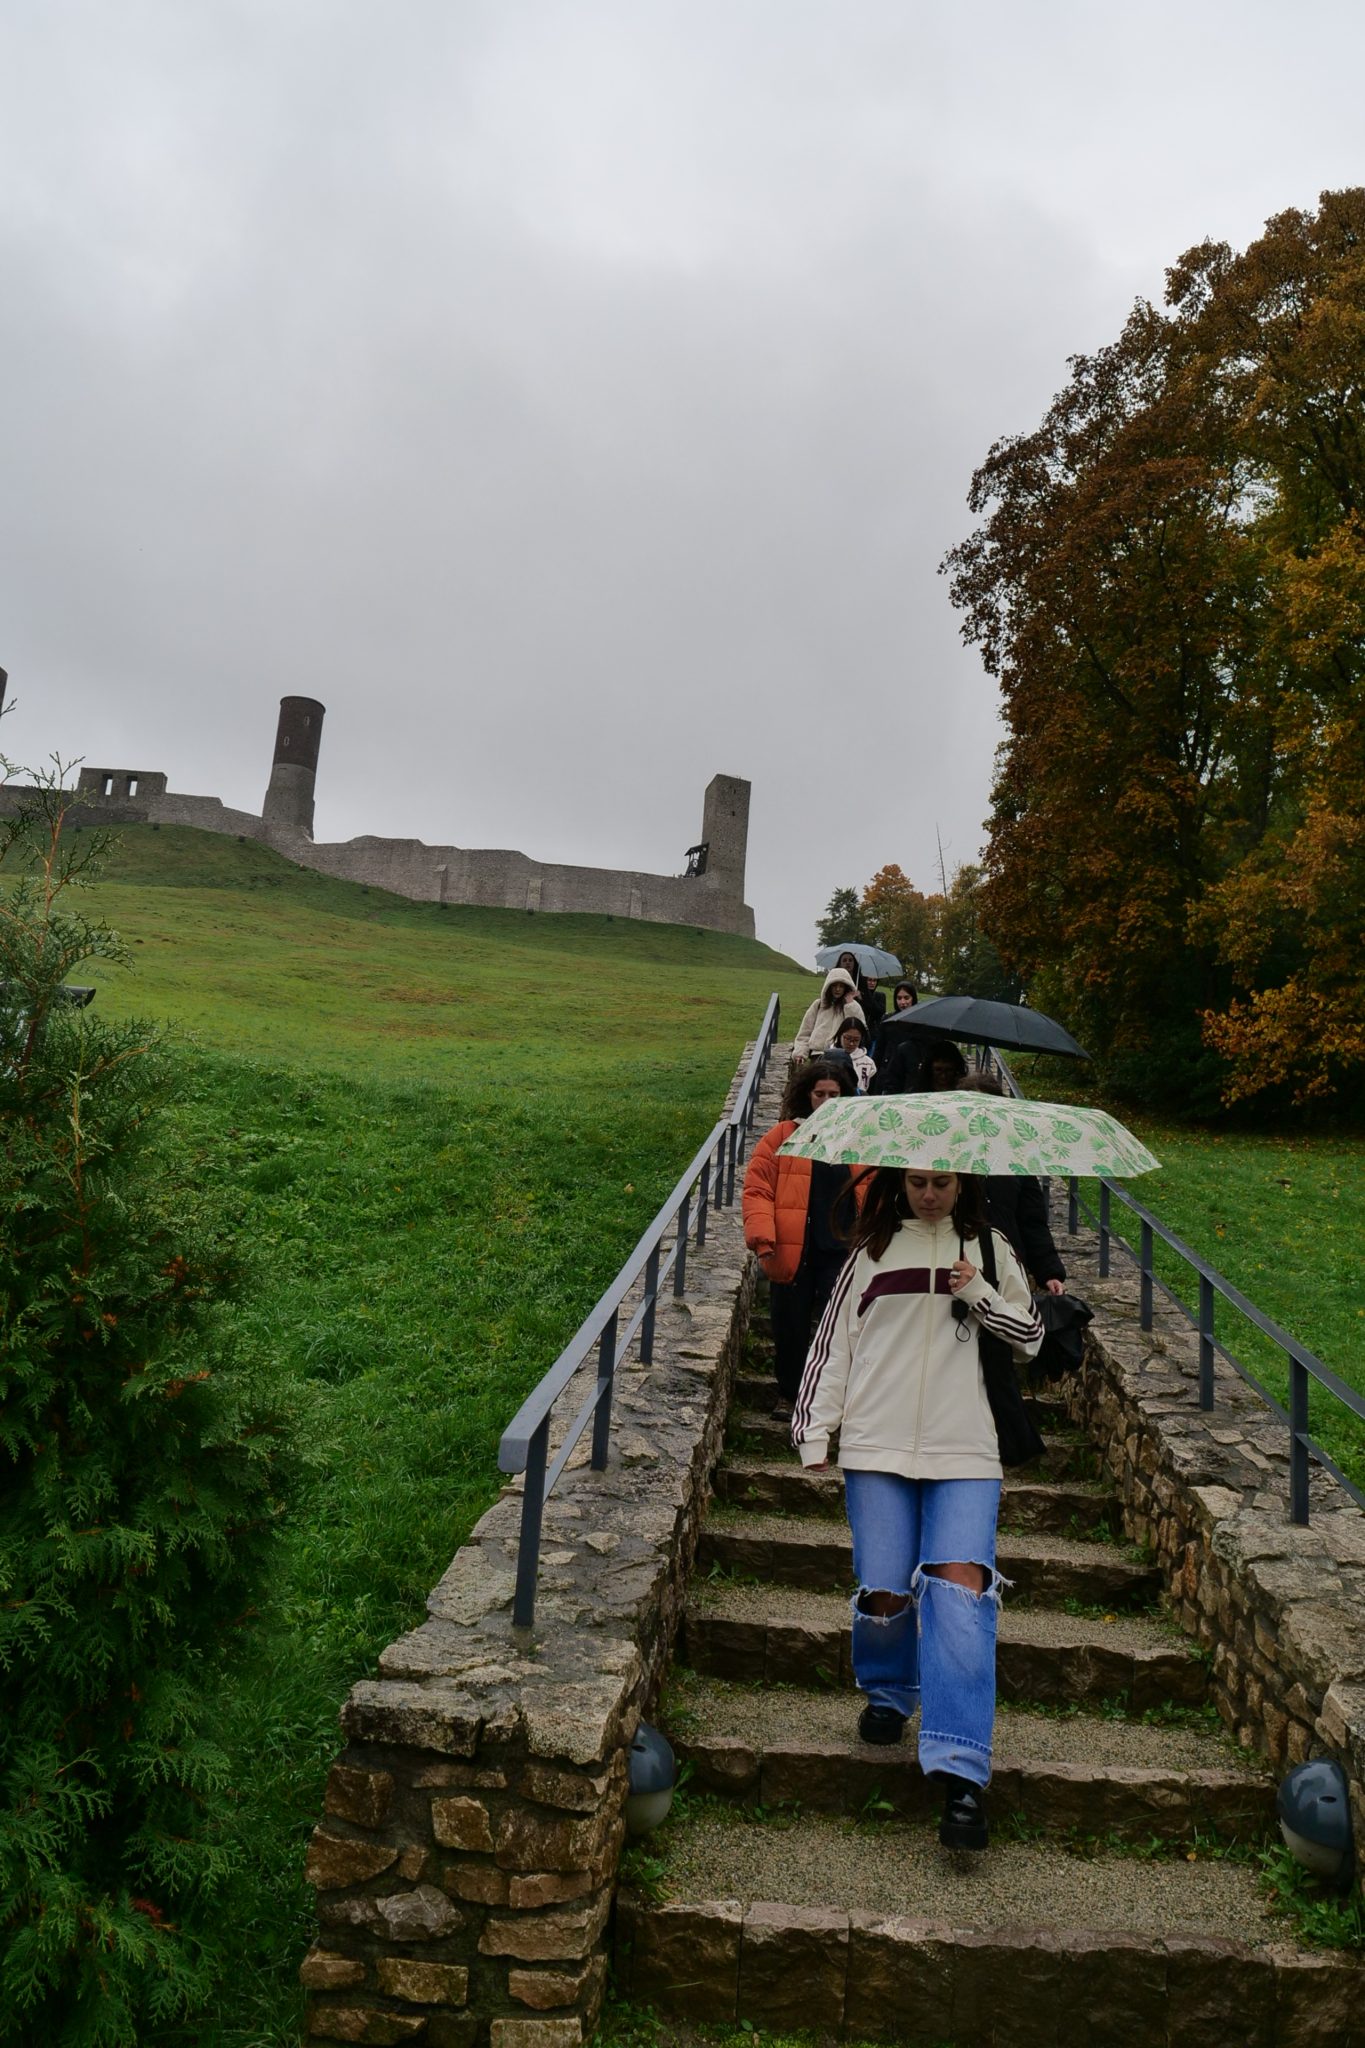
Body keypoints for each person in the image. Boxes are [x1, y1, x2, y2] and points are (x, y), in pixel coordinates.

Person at [793, 1166, 1043, 1851]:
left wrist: (978, 1292)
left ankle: (961, 1771)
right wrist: (815, 1429)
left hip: (966, 1451)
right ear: (900, 1186)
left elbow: (1030, 1336)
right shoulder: (870, 1252)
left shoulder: (990, 1247)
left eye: (941, 1183)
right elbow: (832, 1346)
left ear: (962, 1184)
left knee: (960, 1592)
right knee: (883, 1594)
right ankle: (887, 1692)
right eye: (916, 1183)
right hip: (875, 1446)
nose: (928, 1195)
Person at [741, 1059, 859, 1418]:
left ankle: (829, 1398)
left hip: (841, 1251)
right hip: (793, 1250)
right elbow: (758, 1188)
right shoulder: (782, 1136)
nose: (826, 1101)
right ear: (807, 1095)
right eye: (820, 1093)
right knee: (789, 1327)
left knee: (838, 1329)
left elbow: (873, 1190)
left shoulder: (857, 1139)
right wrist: (763, 1237)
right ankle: (790, 1395)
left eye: (834, 1095)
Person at [959, 1074, 1066, 1295]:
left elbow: (1031, 1220)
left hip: (1007, 1268)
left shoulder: (1016, 1159)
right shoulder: (944, 1159)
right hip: (958, 1266)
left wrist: (1049, 1272)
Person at [793, 969, 867, 1060]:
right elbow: (804, 1032)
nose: (837, 989)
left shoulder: (853, 1006)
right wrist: (800, 1053)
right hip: (817, 1055)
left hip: (842, 1056)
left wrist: (850, 1006)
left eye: (841, 986)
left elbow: (859, 1030)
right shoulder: (818, 1005)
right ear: (828, 987)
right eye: (834, 985)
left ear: (846, 988)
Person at [872, 1035, 967, 1097]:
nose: (943, 1076)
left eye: (949, 1070)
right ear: (929, 1069)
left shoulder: (964, 1093)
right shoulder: (915, 1093)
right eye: (938, 1070)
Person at [833, 1016, 877, 1093]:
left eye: (856, 1040)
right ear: (840, 1035)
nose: (851, 1043)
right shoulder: (829, 1058)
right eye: (847, 1038)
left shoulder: (868, 1063)